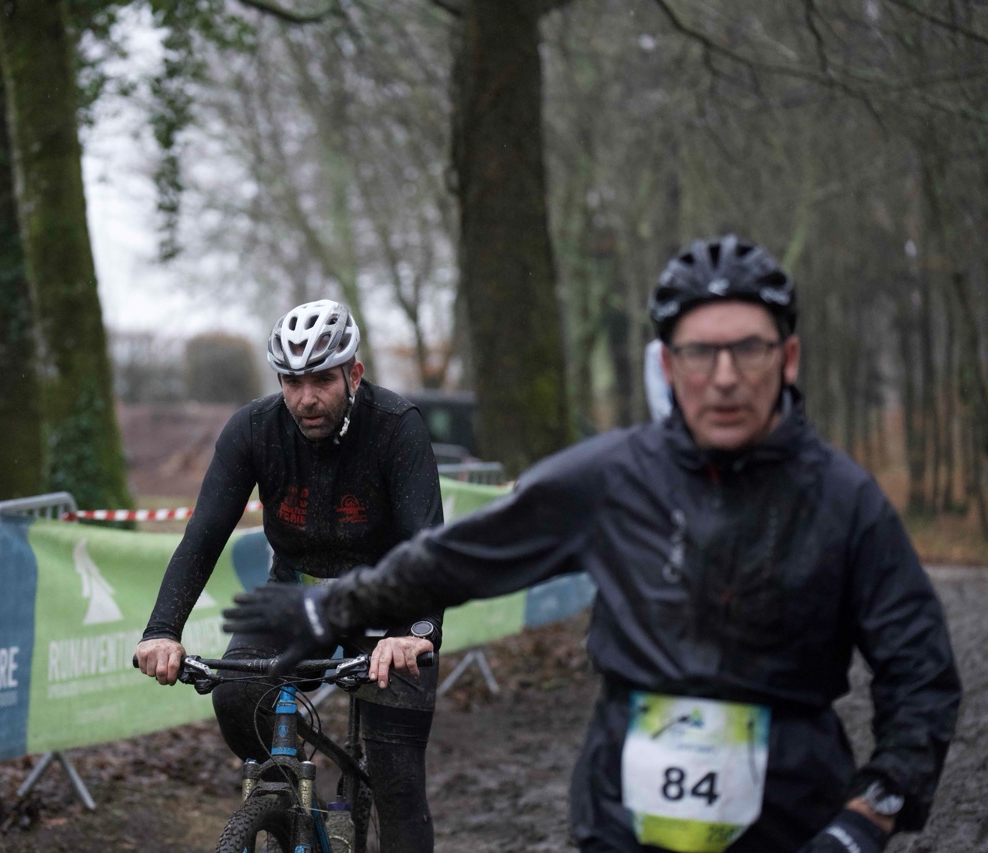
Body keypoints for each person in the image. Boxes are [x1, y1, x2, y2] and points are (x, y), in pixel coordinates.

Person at [223, 236, 962, 853]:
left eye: (750, 350)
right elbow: (454, 558)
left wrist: (870, 815)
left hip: (795, 822)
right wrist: (328, 611)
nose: (725, 377)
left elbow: (921, 676)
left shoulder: (846, 502)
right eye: (700, 352)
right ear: (667, 364)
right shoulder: (610, 478)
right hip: (622, 822)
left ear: (789, 358)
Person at [134, 298, 445, 853]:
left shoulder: (396, 426)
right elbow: (203, 536)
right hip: (298, 596)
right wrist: (161, 630)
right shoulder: (253, 430)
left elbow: (427, 547)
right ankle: (297, 809)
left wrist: (416, 632)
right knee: (236, 695)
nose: (306, 398)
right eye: (292, 381)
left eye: (322, 379)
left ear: (354, 374)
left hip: (390, 608)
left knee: (398, 785)